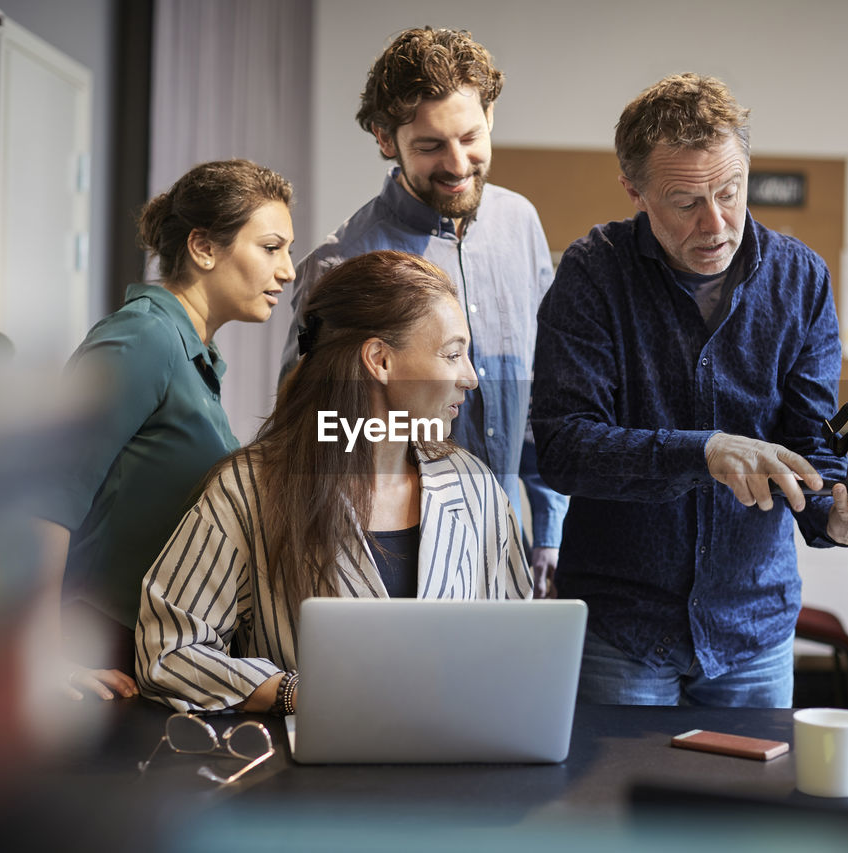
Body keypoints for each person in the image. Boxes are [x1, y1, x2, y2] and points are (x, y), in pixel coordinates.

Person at [531, 74, 848, 708]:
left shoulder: (799, 279)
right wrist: (703, 451)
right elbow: (563, 446)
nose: (716, 223)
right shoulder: (592, 273)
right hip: (623, 632)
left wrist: (838, 520)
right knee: (612, 808)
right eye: (686, 201)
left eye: (730, 191)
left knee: (751, 809)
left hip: (753, 632)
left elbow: (810, 443)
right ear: (634, 191)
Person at [137, 250, 532, 713]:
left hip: (457, 763)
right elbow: (169, 651)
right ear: (379, 360)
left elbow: (520, 647)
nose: (470, 378)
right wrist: (295, 693)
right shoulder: (248, 490)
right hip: (310, 776)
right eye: (452, 354)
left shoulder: (473, 485)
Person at [280, 26, 568, 598]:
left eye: (471, 136)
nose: (458, 164)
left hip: (508, 548)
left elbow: (543, 397)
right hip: (390, 559)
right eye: (431, 145)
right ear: (386, 139)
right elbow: (312, 430)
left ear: (491, 117)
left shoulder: (522, 226)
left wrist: (550, 531)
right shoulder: (339, 266)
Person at [34, 159, 295, 700]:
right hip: (94, 642)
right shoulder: (142, 339)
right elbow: (46, 499)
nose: (288, 270)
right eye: (271, 248)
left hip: (143, 644)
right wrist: (43, 656)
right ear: (203, 248)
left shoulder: (192, 353)